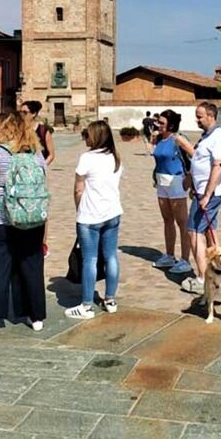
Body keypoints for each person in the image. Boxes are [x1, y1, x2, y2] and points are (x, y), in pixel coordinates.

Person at [0, 111, 48, 338]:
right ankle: (36, 317)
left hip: (0, 220)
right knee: (32, 267)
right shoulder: (36, 154)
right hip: (32, 219)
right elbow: (42, 187)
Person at [66, 120, 123, 319]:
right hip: (113, 212)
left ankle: (87, 305)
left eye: (88, 134)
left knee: (89, 259)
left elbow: (78, 188)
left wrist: (78, 209)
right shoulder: (115, 157)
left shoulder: (87, 158)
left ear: (96, 136)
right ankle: (110, 299)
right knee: (111, 256)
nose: (85, 138)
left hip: (90, 215)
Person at [182, 102, 221, 295]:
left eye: (200, 116)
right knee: (211, 234)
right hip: (202, 191)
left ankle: (203, 279)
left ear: (211, 116)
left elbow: (219, 167)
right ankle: (217, 274)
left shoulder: (218, 138)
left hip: (209, 194)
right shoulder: (206, 137)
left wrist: (207, 194)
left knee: (194, 233)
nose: (197, 119)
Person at [147, 109, 193, 274]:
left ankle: (185, 259)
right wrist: (152, 139)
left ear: (171, 125)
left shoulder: (178, 139)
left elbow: (195, 156)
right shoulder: (159, 138)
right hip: (161, 182)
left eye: (162, 123)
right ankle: (169, 255)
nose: (158, 125)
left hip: (176, 183)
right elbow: (154, 154)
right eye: (158, 122)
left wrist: (190, 176)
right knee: (167, 220)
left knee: (182, 222)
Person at [19, 100, 55, 257]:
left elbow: (51, 154)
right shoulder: (19, 129)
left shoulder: (43, 130)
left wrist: (40, 167)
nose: (22, 115)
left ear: (34, 114)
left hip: (39, 174)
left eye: (25, 112)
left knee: (40, 207)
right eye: (20, 112)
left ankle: (42, 243)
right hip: (21, 174)